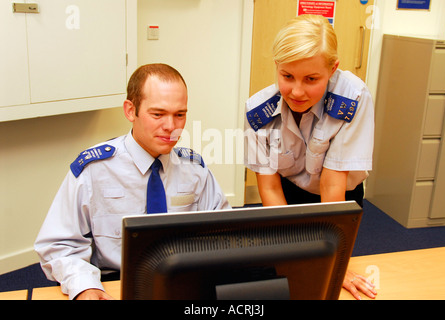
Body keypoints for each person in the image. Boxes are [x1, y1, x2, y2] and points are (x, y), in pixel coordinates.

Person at [35, 63, 230, 300]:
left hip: (181, 282)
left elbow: (224, 234)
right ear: (130, 111)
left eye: (180, 115)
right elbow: (58, 244)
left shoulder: (194, 169)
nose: (171, 127)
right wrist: (85, 285)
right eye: (158, 114)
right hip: (112, 283)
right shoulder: (94, 169)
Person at [244, 15, 376, 300]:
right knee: (292, 270)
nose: (297, 91)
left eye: (312, 79)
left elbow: (332, 186)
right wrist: (293, 253)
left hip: (339, 195)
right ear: (277, 67)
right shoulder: (258, 113)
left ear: (333, 69)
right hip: (288, 195)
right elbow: (269, 188)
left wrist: (334, 263)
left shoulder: (353, 98)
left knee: (329, 276)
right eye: (287, 76)